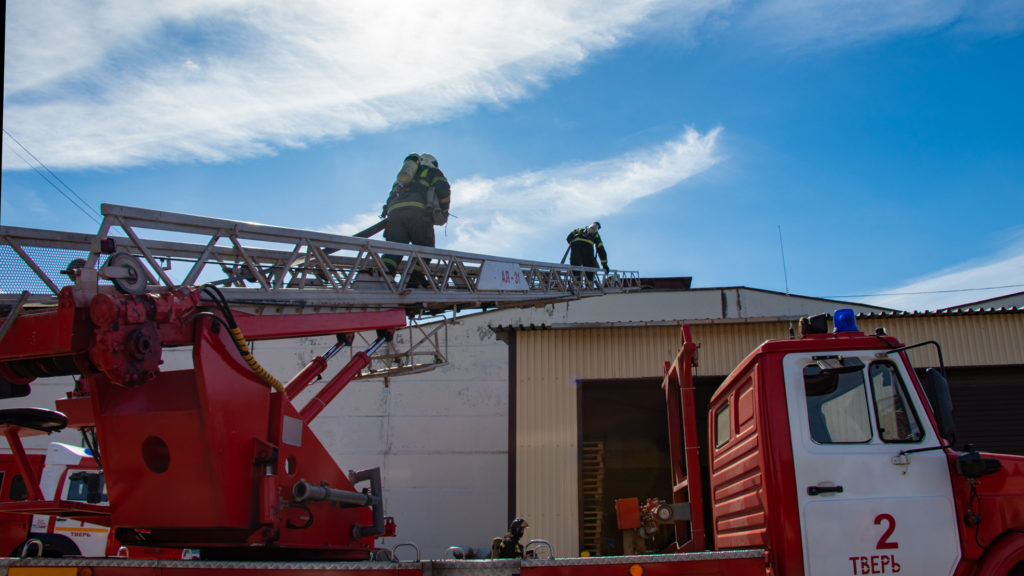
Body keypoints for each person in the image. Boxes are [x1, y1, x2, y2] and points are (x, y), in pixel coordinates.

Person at [380, 153, 451, 288]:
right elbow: (443, 189)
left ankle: (382, 277)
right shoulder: (432, 171)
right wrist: (444, 211)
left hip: (394, 214)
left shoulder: (405, 177)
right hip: (418, 213)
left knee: (394, 249)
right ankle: (413, 279)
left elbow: (391, 195)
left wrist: (387, 212)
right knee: (425, 247)